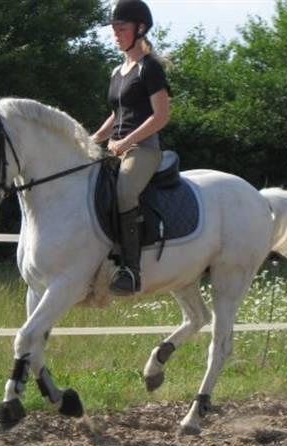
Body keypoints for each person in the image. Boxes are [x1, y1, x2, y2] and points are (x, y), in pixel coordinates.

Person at [92, 0, 171, 295]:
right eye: (114, 29)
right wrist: (91, 140)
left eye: (121, 28)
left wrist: (128, 142)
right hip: (117, 148)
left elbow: (161, 115)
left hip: (144, 149)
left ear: (140, 29)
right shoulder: (118, 71)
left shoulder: (149, 68)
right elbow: (118, 115)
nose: (116, 34)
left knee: (125, 191)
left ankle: (131, 270)